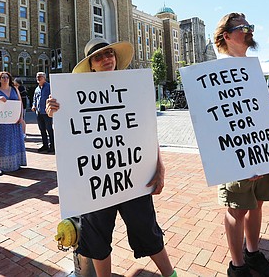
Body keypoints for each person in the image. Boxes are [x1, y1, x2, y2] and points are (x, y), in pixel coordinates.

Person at [46, 38, 176, 277]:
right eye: (99, 56)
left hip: (132, 177)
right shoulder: (74, 95)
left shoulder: (132, 90)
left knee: (147, 229)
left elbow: (145, 132)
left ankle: (171, 275)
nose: (106, 59)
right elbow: (69, 140)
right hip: (96, 183)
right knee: (96, 237)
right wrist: (56, 113)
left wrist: (160, 167)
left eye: (110, 54)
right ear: (91, 65)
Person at [213, 13, 269, 277]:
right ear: (227, 36)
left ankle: (253, 254)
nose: (248, 30)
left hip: (261, 149)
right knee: (237, 208)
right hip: (236, 153)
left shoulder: (252, 66)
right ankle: (237, 265)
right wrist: (241, 159)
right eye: (242, 28)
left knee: (259, 202)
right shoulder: (217, 70)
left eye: (249, 26)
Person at [0, 72, 27, 176]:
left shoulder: (15, 89)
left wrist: (20, 117)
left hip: (14, 122)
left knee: (15, 142)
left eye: (7, 77)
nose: (5, 79)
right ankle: (0, 167)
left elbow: (20, 103)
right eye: (3, 77)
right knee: (2, 144)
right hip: (1, 123)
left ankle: (16, 164)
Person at [32, 71, 55, 153]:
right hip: (39, 112)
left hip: (46, 112)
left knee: (49, 129)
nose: (38, 78)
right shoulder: (37, 89)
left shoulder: (49, 87)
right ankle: (45, 145)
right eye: (37, 76)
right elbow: (35, 98)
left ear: (44, 78)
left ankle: (52, 145)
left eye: (40, 76)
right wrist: (33, 105)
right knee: (42, 129)